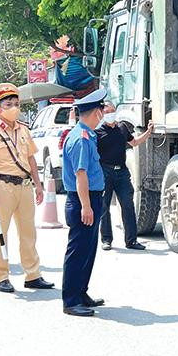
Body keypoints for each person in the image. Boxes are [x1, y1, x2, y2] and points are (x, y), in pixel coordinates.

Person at [0, 83, 51, 294]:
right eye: (8, 104)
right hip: (2, 186)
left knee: (28, 232)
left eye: (16, 104)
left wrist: (38, 185)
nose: (13, 107)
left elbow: (30, 158)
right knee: (0, 233)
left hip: (24, 185)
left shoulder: (23, 130)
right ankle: (1, 276)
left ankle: (33, 275)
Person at [60, 88, 109, 316]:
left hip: (90, 199)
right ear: (96, 112)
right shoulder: (80, 138)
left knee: (88, 250)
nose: (104, 114)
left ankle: (81, 293)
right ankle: (70, 301)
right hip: (83, 201)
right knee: (78, 251)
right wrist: (87, 205)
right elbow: (81, 175)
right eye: (102, 110)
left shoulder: (87, 134)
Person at [97, 101, 149, 250]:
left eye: (112, 111)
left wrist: (148, 132)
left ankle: (131, 240)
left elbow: (134, 142)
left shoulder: (122, 127)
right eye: (107, 112)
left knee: (128, 204)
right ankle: (106, 240)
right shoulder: (98, 132)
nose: (110, 114)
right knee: (104, 206)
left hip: (122, 172)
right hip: (105, 172)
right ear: (101, 114)